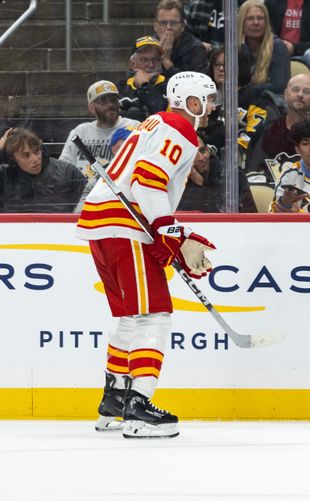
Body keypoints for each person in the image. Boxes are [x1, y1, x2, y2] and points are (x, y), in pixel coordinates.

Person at [75, 71, 218, 439]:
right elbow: (148, 181)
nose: (213, 105)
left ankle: (114, 401)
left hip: (101, 222)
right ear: (191, 101)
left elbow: (142, 182)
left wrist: (171, 232)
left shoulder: (153, 122)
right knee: (155, 314)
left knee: (130, 315)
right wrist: (170, 233)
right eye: (209, 98)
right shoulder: (180, 128)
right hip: (125, 225)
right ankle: (139, 406)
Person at [0, 127, 87, 213]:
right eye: (26, 155)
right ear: (13, 158)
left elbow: (91, 197)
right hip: (14, 226)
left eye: (37, 151)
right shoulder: (4, 175)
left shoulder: (67, 171)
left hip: (61, 226)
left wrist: (77, 214)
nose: (35, 159)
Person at [60, 80, 139, 174]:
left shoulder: (134, 127)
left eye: (113, 99)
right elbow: (63, 169)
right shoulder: (80, 132)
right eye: (103, 100)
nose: (110, 105)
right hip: (83, 187)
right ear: (91, 108)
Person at [246, 73, 310, 172]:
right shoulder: (267, 131)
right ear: (285, 95)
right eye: (295, 90)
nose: (300, 94)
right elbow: (253, 172)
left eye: (307, 91)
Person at [184, 0, 254, 51]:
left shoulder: (253, 6)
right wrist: (198, 46)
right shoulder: (195, 6)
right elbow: (185, 41)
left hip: (244, 61)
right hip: (204, 61)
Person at [178, 142, 257, 212]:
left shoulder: (235, 176)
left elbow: (250, 219)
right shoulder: (176, 180)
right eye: (193, 154)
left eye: (202, 150)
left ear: (208, 150)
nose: (201, 158)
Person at [239, 0, 291, 95]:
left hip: (266, 102)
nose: (256, 23)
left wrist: (245, 90)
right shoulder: (235, 48)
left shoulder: (278, 46)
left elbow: (279, 86)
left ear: (266, 22)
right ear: (241, 22)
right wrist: (244, 50)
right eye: (250, 19)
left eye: (260, 18)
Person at [152, 0, 208, 78]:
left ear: (182, 26)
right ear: (155, 26)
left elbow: (197, 85)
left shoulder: (196, 48)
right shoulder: (146, 46)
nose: (168, 28)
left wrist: (166, 61)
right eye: (163, 23)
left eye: (173, 23)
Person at [118, 36, 168, 121]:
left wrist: (144, 85)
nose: (151, 65)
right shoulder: (120, 87)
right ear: (132, 64)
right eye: (144, 60)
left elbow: (160, 114)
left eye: (155, 60)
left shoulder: (169, 85)